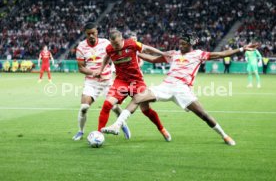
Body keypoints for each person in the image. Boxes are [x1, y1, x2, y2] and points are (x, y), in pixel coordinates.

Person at [102, 32, 259, 146]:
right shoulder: (174, 54)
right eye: (180, 43)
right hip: (165, 86)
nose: (181, 46)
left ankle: (224, 136)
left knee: (204, 115)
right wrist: (134, 51)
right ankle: (117, 125)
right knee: (138, 97)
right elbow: (152, 59)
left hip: (183, 89)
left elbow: (221, 54)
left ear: (191, 44)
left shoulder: (199, 54)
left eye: (184, 44)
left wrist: (241, 49)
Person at [94, 29, 172, 141]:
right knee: (107, 105)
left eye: (117, 44)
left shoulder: (131, 44)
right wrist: (100, 70)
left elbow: (147, 48)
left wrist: (162, 53)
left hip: (137, 81)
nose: (114, 47)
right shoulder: (110, 49)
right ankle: (98, 134)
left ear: (122, 39)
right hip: (121, 81)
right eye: (112, 44)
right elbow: (107, 57)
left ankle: (162, 129)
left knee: (146, 110)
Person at [72, 23, 126, 141]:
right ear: (85, 33)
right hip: (91, 83)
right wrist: (93, 72)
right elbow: (81, 68)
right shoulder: (81, 47)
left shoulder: (105, 43)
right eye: (88, 34)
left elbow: (114, 57)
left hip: (107, 81)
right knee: (84, 107)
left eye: (93, 33)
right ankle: (80, 131)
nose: (91, 36)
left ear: (97, 32)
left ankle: (123, 124)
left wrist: (114, 71)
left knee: (114, 107)